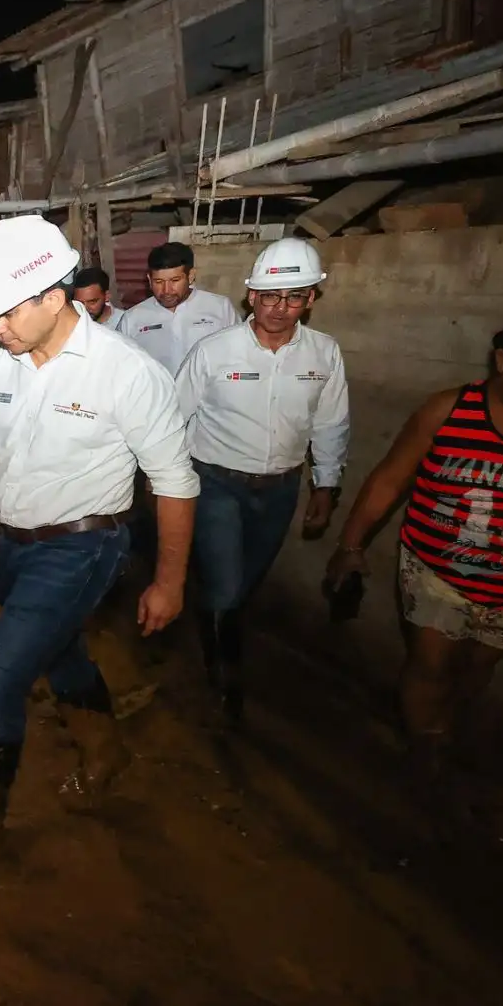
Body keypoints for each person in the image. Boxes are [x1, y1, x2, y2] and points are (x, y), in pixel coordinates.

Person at [0, 215, 199, 858]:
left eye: (5, 314)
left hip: (84, 545)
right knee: (60, 650)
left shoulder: (126, 373)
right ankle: (105, 751)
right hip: (13, 539)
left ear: (53, 297)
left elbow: (176, 482)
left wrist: (168, 581)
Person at [327, 309, 503, 814]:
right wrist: (351, 546)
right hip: (439, 576)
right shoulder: (449, 410)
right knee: (430, 662)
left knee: (479, 664)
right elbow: (388, 480)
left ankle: (446, 726)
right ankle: (426, 743)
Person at [175, 238, 350, 722]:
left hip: (279, 489)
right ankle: (225, 675)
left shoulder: (325, 355)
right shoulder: (214, 351)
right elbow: (174, 416)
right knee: (229, 587)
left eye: (294, 297)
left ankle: (213, 621)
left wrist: (325, 485)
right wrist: (164, 484)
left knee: (242, 583)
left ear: (311, 299)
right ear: (251, 297)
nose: (280, 308)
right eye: (270, 297)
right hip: (215, 483)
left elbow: (331, 424)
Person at [115, 242, 239, 375]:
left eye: (175, 280)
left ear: (191, 276)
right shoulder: (133, 318)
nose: (166, 290)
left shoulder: (220, 308)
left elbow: (238, 355)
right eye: (158, 282)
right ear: (149, 280)